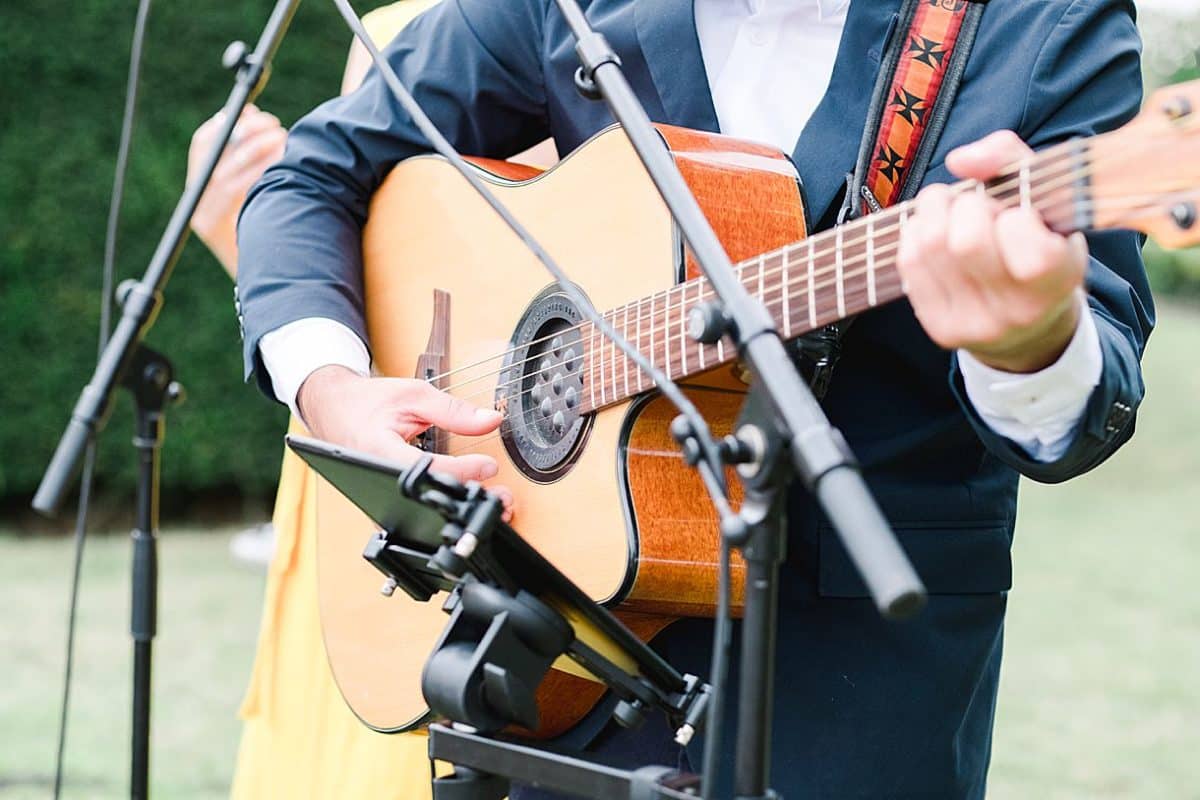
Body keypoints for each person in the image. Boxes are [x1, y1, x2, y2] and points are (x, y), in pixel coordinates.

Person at [235, 1, 1154, 797]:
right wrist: (334, 392)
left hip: (859, 683)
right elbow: (311, 173)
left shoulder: (1039, 25)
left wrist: (1030, 341)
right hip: (563, 647)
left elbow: (1093, 387)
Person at [186, 3, 472, 797]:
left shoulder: (562, 29)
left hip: (471, 476)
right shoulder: (385, 25)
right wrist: (247, 244)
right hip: (350, 464)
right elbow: (394, 294)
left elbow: (503, 286)